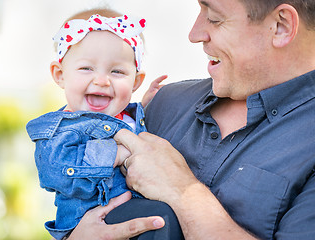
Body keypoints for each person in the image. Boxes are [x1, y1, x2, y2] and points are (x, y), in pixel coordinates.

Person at [66, 0, 315, 239]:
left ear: (281, 26)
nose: (194, 34)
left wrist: (183, 192)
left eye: (215, 18)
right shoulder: (166, 102)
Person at [26, 8, 182, 240]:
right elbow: (58, 174)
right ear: (59, 74)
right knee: (161, 216)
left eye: (117, 71)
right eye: (86, 68)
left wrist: (146, 108)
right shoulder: (58, 130)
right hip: (90, 221)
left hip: (130, 210)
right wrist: (115, 155)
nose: (101, 80)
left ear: (135, 82)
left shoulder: (128, 118)